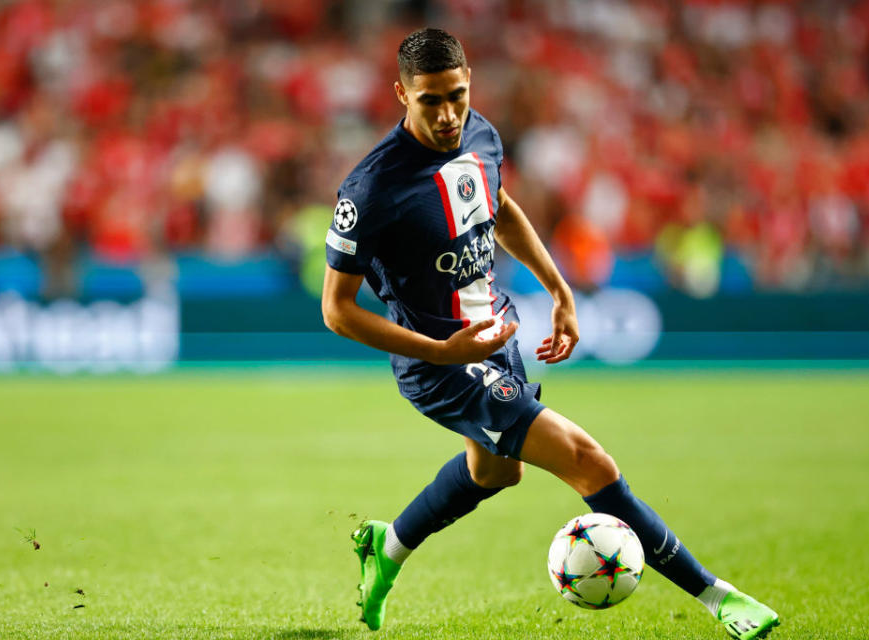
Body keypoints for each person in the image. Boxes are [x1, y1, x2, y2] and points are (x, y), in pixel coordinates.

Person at [321, 28, 780, 640]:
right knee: (590, 462)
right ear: (400, 94)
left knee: (495, 473)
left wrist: (560, 290)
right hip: (440, 363)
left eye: (456, 95)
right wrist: (440, 351)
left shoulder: (481, 135)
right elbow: (337, 310)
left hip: (494, 332)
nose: (448, 113)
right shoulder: (370, 188)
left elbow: (498, 206)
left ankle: (390, 545)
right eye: (430, 100)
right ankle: (718, 598)